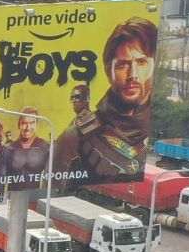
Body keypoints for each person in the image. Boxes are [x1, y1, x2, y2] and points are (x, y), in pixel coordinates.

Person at [52, 15, 157, 182]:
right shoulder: (76, 136)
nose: (133, 75)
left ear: (154, 67)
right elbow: (49, 191)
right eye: (123, 65)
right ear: (109, 72)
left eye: (142, 62)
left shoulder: (155, 123)